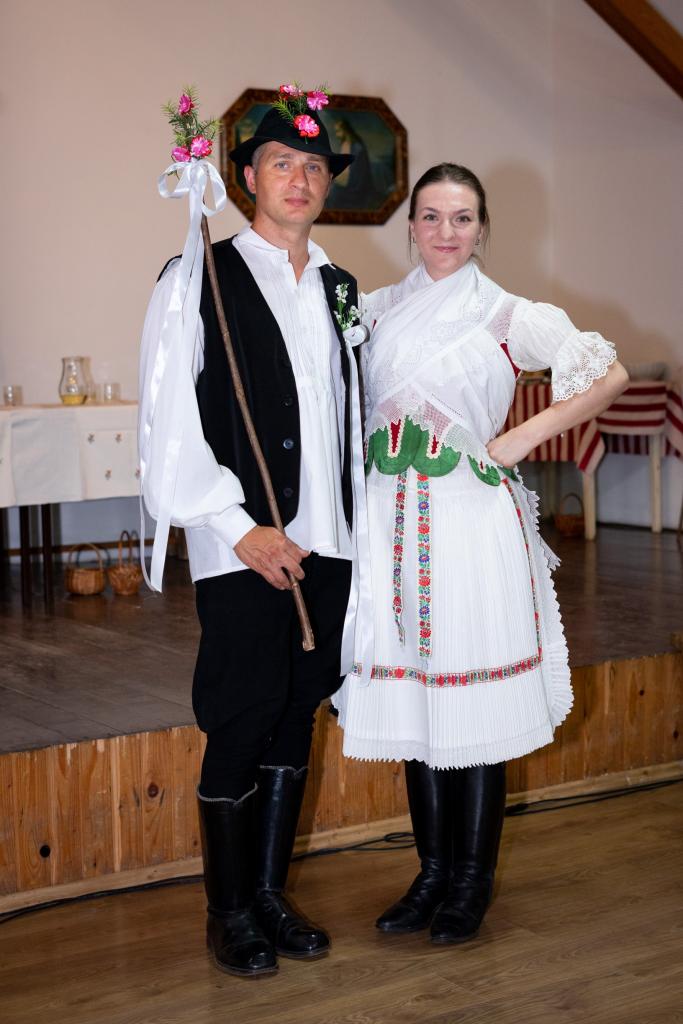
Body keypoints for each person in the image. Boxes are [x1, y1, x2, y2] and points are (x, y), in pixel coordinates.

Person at [333, 162, 628, 945]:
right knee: (417, 705)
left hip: (468, 522)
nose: (445, 232)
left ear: (481, 227)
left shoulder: (507, 313)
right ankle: (429, 873)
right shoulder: (375, 310)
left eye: (460, 218)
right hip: (388, 524)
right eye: (430, 216)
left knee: (470, 704)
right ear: (410, 226)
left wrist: (521, 437)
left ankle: (470, 883)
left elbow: (608, 375)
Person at [139, 90, 367, 978]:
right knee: (241, 715)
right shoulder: (196, 274)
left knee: (295, 710)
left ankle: (269, 896)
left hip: (329, 540)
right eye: (281, 163)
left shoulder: (342, 289)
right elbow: (168, 421)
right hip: (244, 542)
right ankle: (228, 913)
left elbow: (352, 414)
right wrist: (238, 529)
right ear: (245, 178)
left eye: (313, 167)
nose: (299, 179)